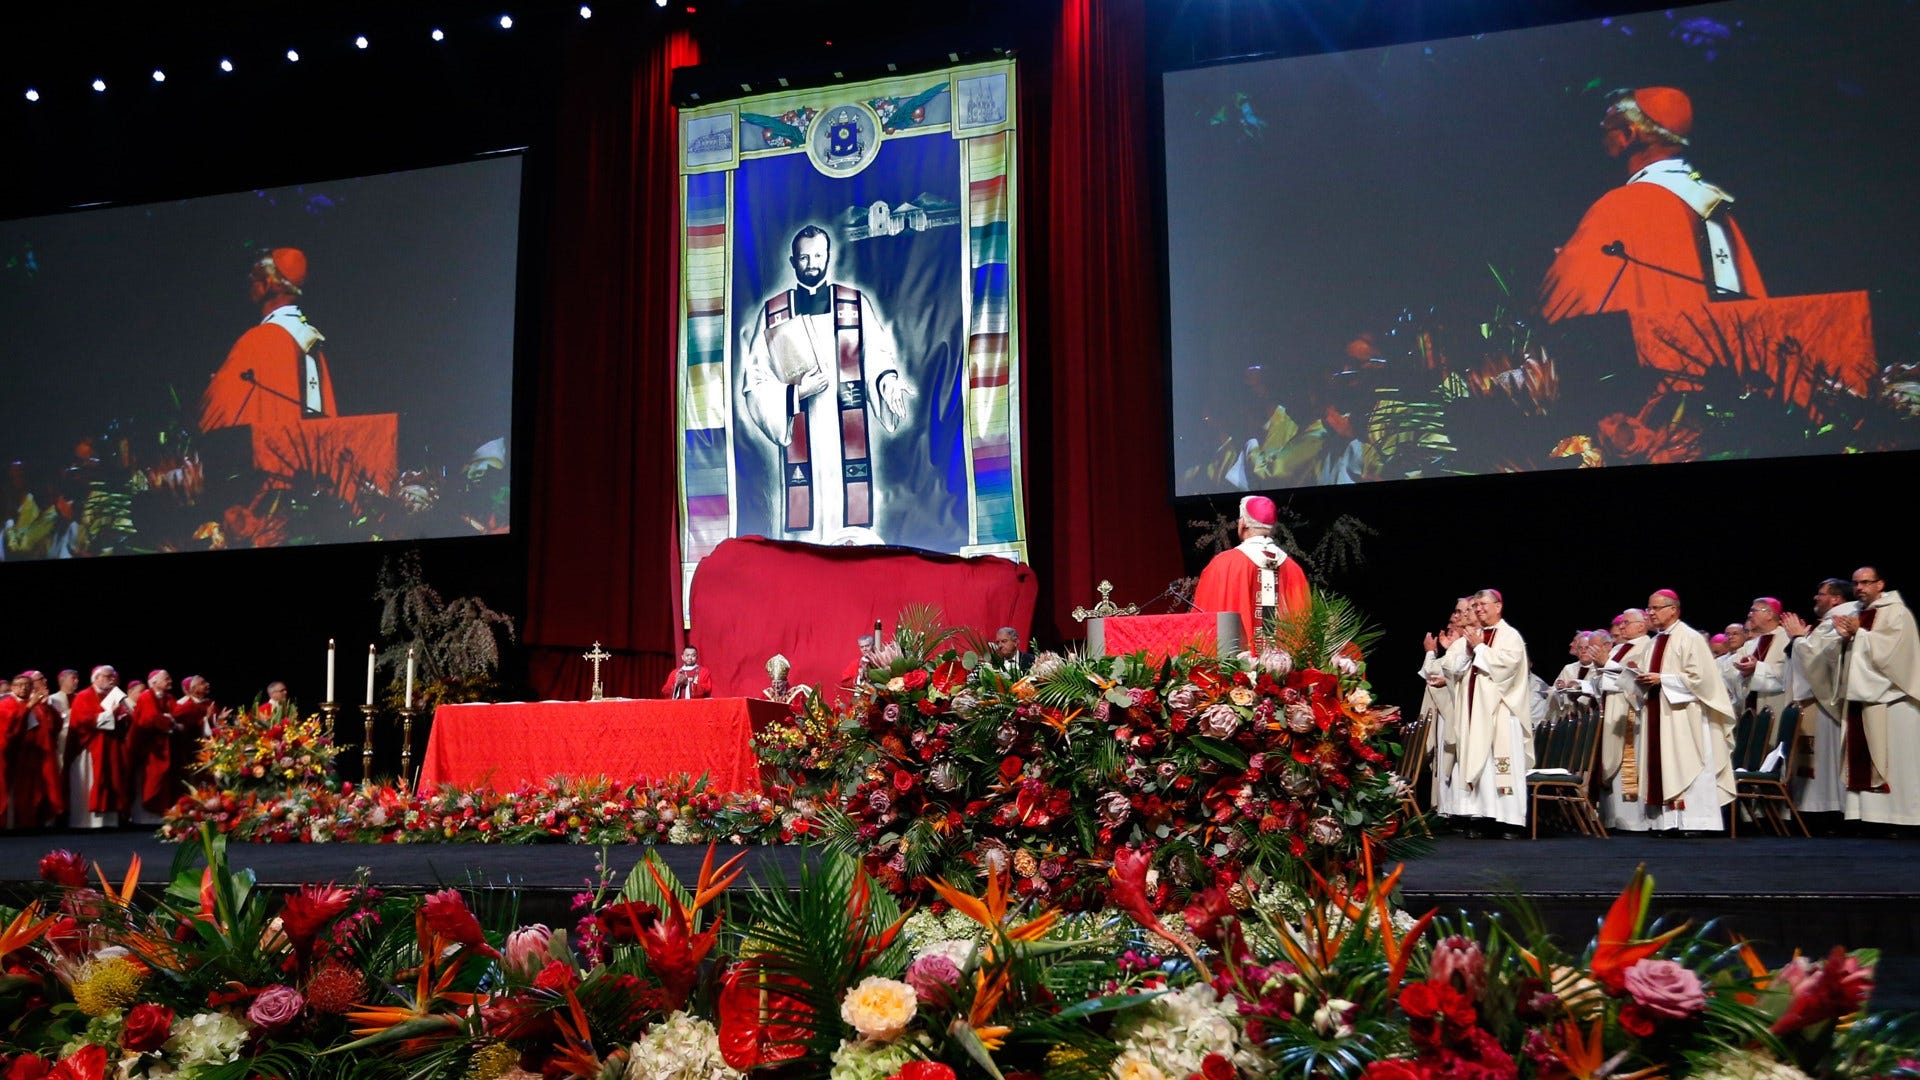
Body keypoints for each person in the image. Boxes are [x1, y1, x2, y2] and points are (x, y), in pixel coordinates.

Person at [739, 225, 917, 546]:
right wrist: (797, 393)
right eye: (804, 257)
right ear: (793, 262)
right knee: (806, 540)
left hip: (845, 439)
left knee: (850, 532)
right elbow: (755, 383)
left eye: (818, 255)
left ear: (828, 257)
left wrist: (887, 383)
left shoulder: (854, 305)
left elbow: (875, 354)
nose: (812, 263)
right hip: (802, 437)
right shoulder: (774, 314)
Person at [1541, 87, 1766, 322]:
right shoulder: (1716, 208)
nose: (1599, 143)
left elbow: (1560, 304)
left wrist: (1562, 264)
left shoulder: (1618, 207)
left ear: (1628, 135)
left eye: (1603, 131)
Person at [1619, 590, 1737, 833]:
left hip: (1685, 717)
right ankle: (1667, 821)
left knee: (1686, 764)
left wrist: (1662, 679)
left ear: (1673, 609)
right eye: (1648, 608)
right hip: (1659, 713)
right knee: (1663, 766)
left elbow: (1702, 679)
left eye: (1655, 608)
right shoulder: (1654, 642)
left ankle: (1695, 822)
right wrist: (1637, 678)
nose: (1650, 612)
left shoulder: (1690, 638)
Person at [199, 248, 338, 434]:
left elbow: (214, 412)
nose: (248, 286)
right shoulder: (311, 341)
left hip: (267, 457)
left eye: (253, 280)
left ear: (268, 284)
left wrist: (217, 384)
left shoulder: (257, 340)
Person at [1831, 567, 1920, 827]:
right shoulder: (1856, 614)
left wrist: (1861, 634)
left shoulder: (1897, 613)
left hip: (1893, 700)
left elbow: (1897, 653)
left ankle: (1902, 819)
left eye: (1866, 582)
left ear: (1880, 584)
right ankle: (1867, 817)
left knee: (1896, 761)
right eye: (1856, 583)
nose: (1859, 588)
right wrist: (1845, 640)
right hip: (1864, 698)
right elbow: (1852, 653)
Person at [1443, 589, 1532, 834]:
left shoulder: (1510, 635)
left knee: (1499, 763)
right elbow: (1451, 668)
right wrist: (1470, 651)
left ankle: (1509, 819)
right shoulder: (1470, 638)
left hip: (1501, 711)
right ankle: (1480, 815)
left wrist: (1480, 649)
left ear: (1498, 606)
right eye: (1476, 605)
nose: (1478, 609)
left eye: (1483, 604)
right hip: (1473, 712)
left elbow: (1508, 667)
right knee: (1478, 761)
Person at [1192, 495, 1312, 652]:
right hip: (1288, 671)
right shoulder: (1294, 569)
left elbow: (1201, 625)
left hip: (1236, 672)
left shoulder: (1223, 565)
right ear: (1274, 528)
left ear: (1242, 525)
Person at [1784, 579, 1858, 818]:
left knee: (1829, 758)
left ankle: (1829, 810)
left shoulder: (1840, 619)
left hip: (1828, 700)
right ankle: (1820, 808)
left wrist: (1797, 638)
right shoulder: (1827, 623)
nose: (1816, 597)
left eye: (1821, 593)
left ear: (1836, 599)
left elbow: (1820, 659)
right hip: (1817, 699)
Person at [1597, 608, 1653, 828]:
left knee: (1629, 763)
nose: (1621, 626)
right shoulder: (1619, 648)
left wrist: (1607, 664)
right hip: (1613, 710)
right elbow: (1605, 678)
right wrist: (1599, 666)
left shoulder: (1647, 647)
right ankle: (1612, 818)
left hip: (1632, 713)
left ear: (1641, 625)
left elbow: (1639, 678)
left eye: (1626, 622)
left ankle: (1633, 821)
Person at [68, 665, 131, 829]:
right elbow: (82, 720)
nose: (112, 679)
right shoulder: (83, 696)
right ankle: (87, 822)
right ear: (96, 678)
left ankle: (109, 821)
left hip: (110, 747)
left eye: (113, 676)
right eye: (107, 676)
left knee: (113, 779)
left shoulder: (113, 696)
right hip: (89, 747)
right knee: (91, 782)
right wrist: (111, 714)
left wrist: (122, 716)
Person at [1733, 597, 1791, 737]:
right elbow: (1730, 670)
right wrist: (1743, 671)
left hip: (1775, 706)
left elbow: (1789, 674)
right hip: (1749, 709)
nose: (1749, 614)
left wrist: (1757, 668)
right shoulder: (1750, 644)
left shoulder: (1788, 639)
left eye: (1754, 611)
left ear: (1769, 614)